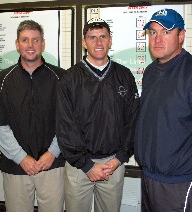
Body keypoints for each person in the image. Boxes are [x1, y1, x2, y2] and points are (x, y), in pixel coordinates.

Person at [134, 8, 192, 211]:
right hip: (149, 179)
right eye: (153, 32)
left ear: (181, 36)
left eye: (166, 32)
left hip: (180, 185)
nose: (158, 39)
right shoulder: (151, 72)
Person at [56, 17, 140, 212]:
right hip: (79, 167)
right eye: (92, 37)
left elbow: (133, 120)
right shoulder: (69, 79)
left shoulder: (124, 76)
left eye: (103, 36)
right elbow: (64, 126)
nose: (98, 42)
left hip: (113, 164)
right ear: (84, 42)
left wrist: (120, 157)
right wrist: (86, 165)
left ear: (110, 40)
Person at [0, 20, 65, 212]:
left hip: (52, 165)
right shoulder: (1, 79)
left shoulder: (62, 78)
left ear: (43, 44)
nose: (30, 45)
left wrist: (52, 153)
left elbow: (68, 122)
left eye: (35, 40)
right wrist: (22, 158)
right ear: (17, 44)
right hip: (15, 167)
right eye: (25, 40)